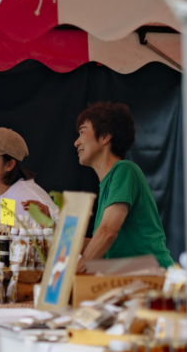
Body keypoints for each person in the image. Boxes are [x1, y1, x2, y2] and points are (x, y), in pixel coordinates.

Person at [74, 101, 173, 269]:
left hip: (153, 277)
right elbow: (103, 242)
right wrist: (53, 235)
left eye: (82, 132)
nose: (76, 142)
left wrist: (76, 271)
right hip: (133, 276)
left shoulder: (124, 170)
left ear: (105, 136)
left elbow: (107, 233)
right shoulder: (109, 182)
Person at [0, 127, 58, 222]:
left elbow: (63, 229)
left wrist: (49, 223)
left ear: (9, 165)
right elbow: (6, 226)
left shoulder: (29, 196)